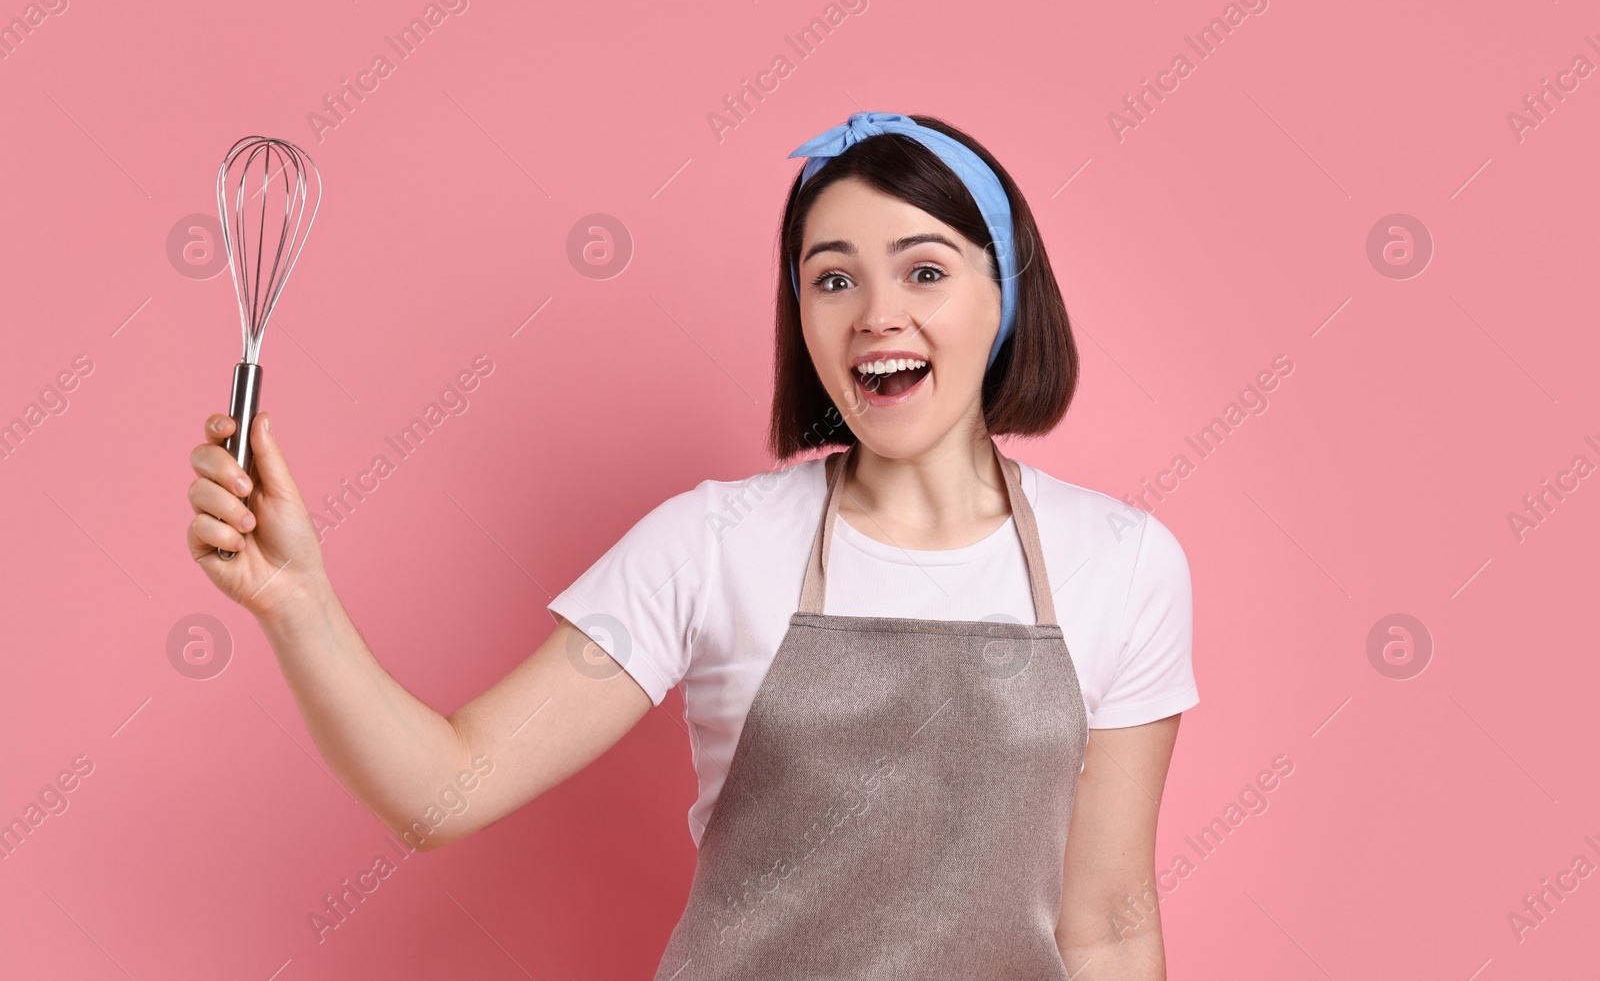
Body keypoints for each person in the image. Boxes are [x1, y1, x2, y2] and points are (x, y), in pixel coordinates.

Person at [186, 111, 1197, 979]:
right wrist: (296, 599)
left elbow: (1106, 926)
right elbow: (443, 789)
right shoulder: (712, 543)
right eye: (830, 278)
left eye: (923, 269)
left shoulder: (1122, 560)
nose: (876, 314)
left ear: (1004, 296)